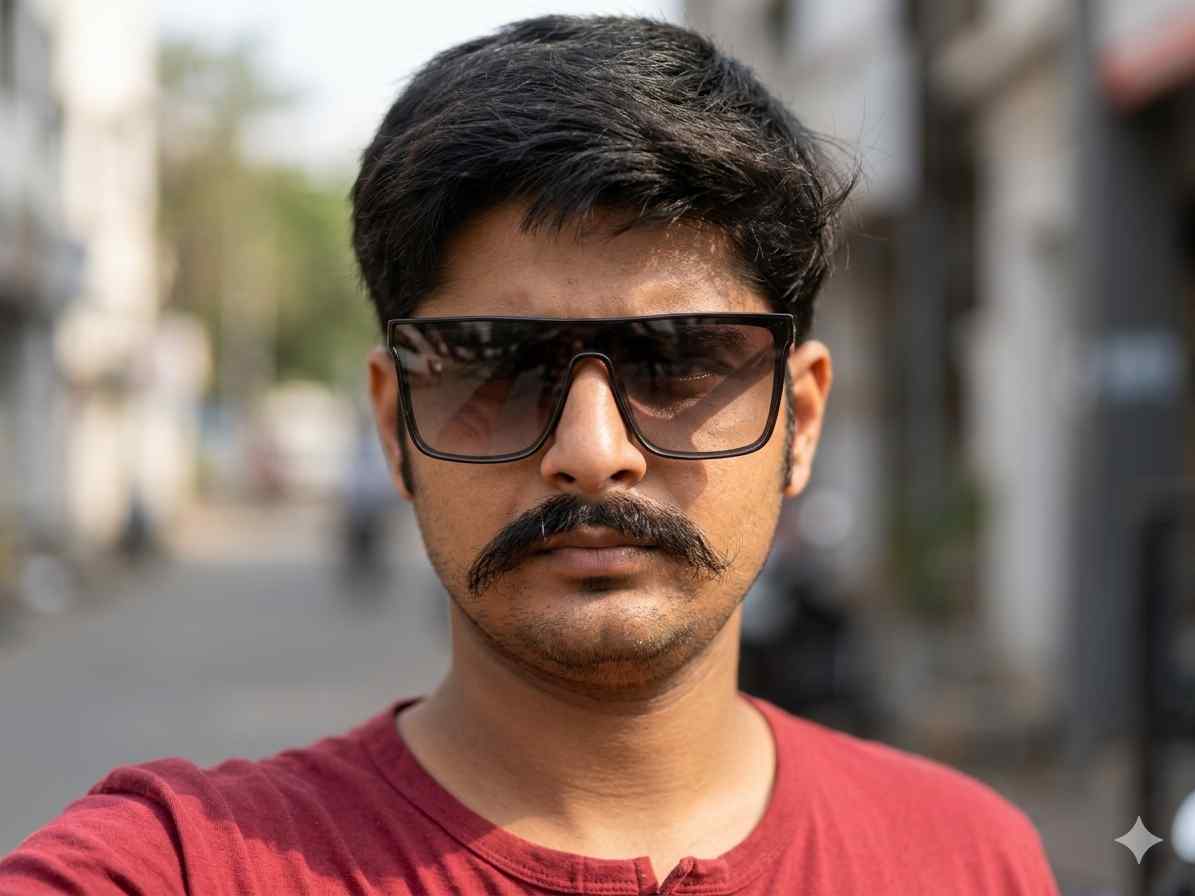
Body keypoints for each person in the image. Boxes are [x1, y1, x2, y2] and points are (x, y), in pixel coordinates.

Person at [0, 15, 1060, 895]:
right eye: (496, 363)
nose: (592, 453)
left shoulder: (966, 858)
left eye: (678, 359)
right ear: (393, 423)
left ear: (803, 419)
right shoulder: (180, 868)